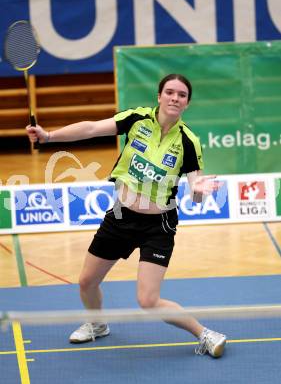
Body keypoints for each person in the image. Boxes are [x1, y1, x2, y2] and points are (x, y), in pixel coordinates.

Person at [26, 73, 226, 358]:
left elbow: (196, 188)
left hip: (158, 225)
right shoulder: (137, 119)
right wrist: (49, 137)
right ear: (159, 96)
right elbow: (92, 128)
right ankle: (97, 324)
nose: (174, 98)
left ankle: (203, 333)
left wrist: (201, 190)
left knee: (148, 300)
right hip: (121, 216)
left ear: (187, 104)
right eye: (169, 92)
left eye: (181, 95)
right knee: (87, 282)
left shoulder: (188, 141)